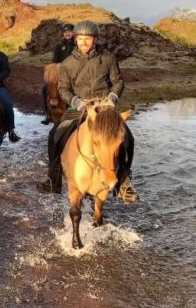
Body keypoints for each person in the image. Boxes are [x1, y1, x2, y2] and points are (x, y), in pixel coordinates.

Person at [36, 20, 137, 203]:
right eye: (80, 39)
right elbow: (64, 89)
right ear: (75, 40)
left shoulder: (107, 59)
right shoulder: (67, 63)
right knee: (55, 135)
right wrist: (77, 102)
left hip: (105, 107)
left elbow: (118, 82)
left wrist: (112, 99)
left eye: (87, 39)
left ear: (95, 39)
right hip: (79, 107)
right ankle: (54, 179)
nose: (83, 42)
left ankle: (124, 180)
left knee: (128, 138)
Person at [41, 22, 76, 125]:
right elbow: (54, 61)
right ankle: (48, 114)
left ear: (73, 33)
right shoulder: (59, 47)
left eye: (69, 31)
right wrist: (55, 68)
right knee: (44, 89)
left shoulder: (77, 47)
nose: (67, 34)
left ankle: (73, 110)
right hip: (60, 74)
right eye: (65, 32)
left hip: (74, 74)